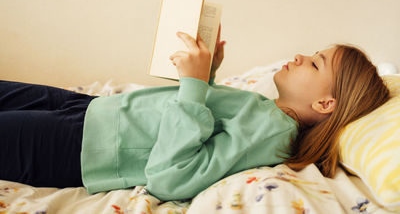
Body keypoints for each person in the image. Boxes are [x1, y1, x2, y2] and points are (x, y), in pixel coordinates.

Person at [0, 25, 390, 201]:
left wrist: (194, 83)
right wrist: (210, 74)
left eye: (316, 64)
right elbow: (207, 123)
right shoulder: (268, 108)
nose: (303, 56)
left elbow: (173, 177)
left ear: (325, 104)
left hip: (84, 146)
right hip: (91, 112)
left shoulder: (273, 133)